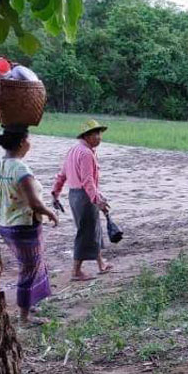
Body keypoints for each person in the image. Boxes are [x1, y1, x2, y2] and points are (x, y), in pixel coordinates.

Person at [0, 126, 58, 326]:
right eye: (28, 139)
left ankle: (29, 304)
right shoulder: (21, 170)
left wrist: (3, 210)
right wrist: (51, 213)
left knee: (29, 264)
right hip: (25, 227)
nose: (30, 143)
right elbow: (35, 204)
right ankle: (24, 317)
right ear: (21, 143)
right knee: (29, 269)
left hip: (6, 225)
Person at [52, 119, 112, 282]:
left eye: (99, 133)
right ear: (86, 136)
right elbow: (87, 180)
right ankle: (76, 271)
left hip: (75, 195)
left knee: (93, 228)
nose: (99, 137)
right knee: (86, 232)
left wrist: (55, 192)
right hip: (84, 196)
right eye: (95, 134)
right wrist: (96, 199)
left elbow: (62, 174)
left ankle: (101, 263)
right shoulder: (86, 153)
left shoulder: (74, 150)